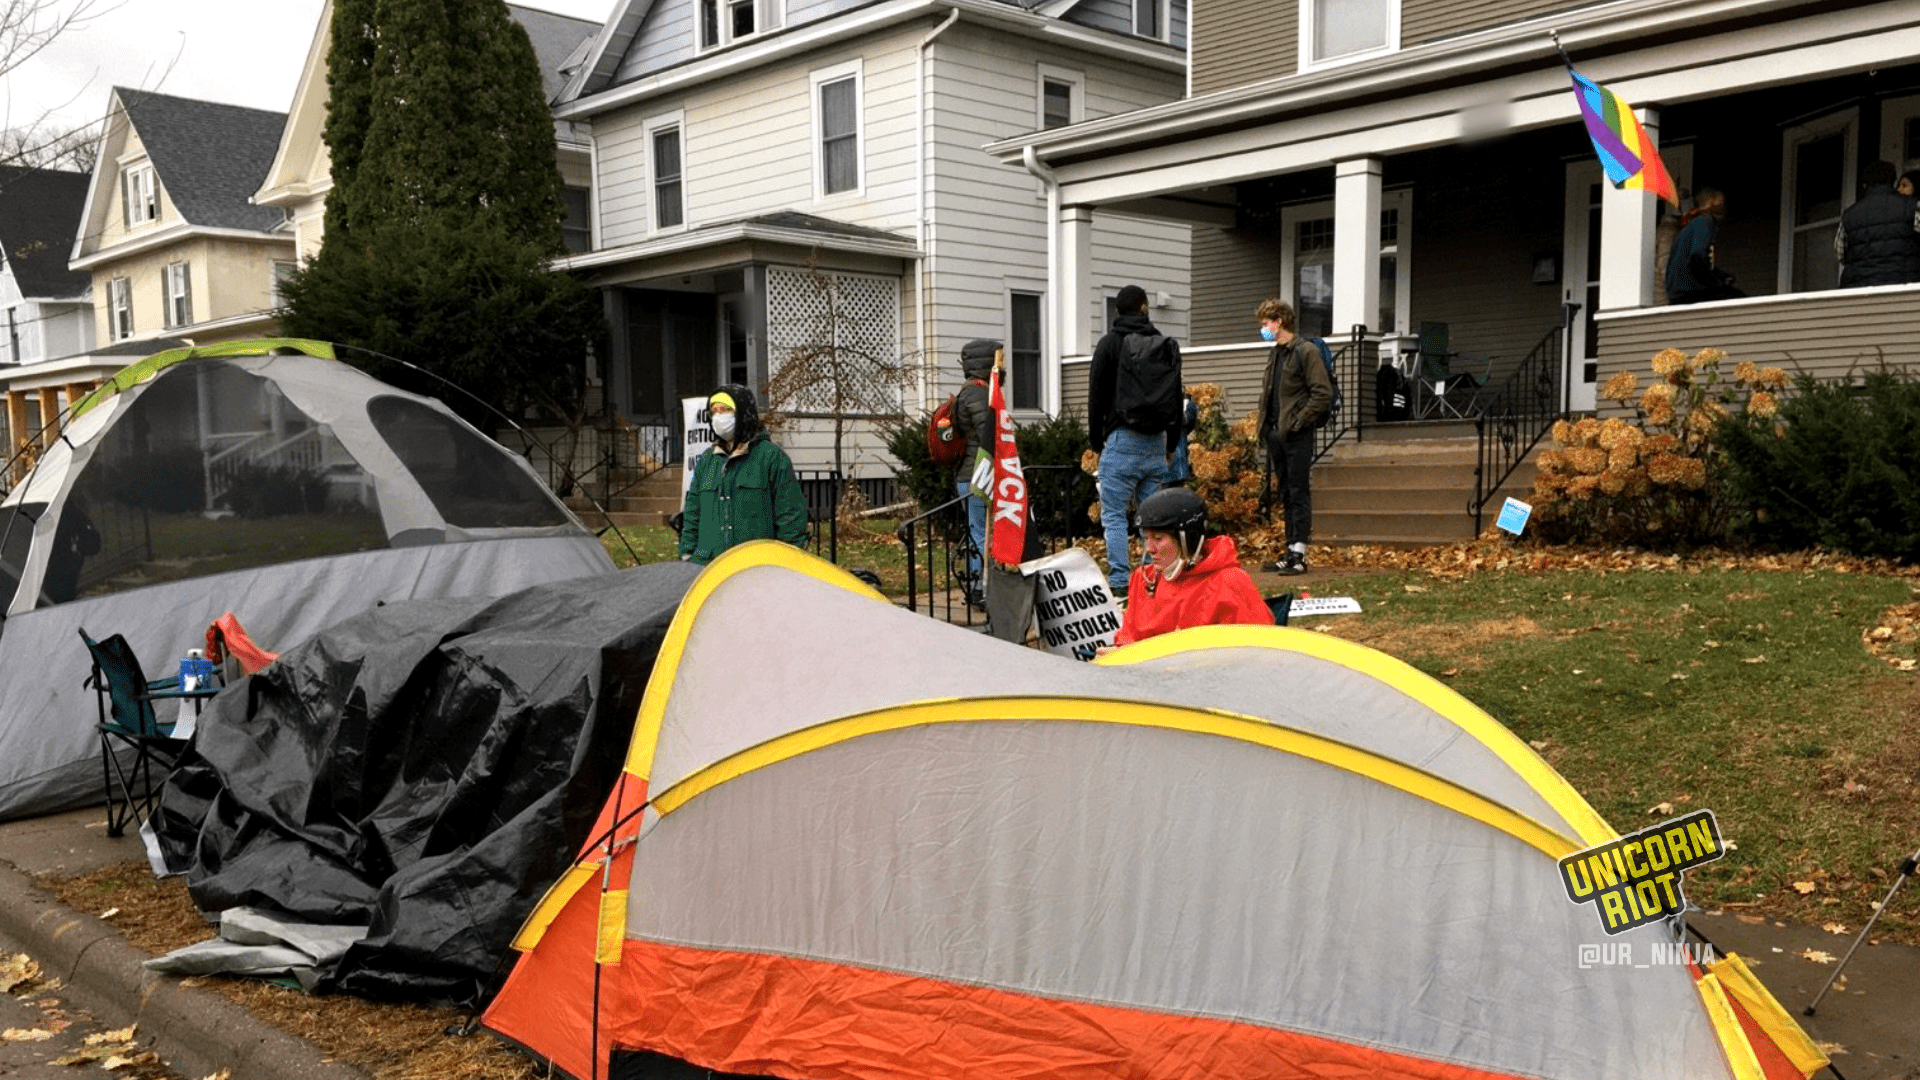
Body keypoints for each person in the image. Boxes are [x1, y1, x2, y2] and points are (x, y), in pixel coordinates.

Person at [1087, 284, 1184, 597]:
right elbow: (1174, 398)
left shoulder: (1109, 345)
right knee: (1152, 521)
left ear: (1117, 310)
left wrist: (1098, 442)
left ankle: (1119, 583)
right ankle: (1150, 582)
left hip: (1121, 440)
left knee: (1114, 515)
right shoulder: (1164, 345)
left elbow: (1096, 397)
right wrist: (1171, 444)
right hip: (1156, 442)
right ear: (1145, 308)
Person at [1109, 487, 1273, 647]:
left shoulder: (1229, 581)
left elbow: (1258, 649)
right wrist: (1117, 653)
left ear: (1188, 539)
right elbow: (1128, 638)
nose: (1149, 548)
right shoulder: (1143, 579)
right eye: (1146, 538)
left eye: (1158, 538)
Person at [678, 384, 808, 565]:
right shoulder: (707, 460)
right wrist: (687, 554)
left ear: (743, 413)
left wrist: (785, 563)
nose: (718, 417)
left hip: (755, 568)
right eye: (714, 412)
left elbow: (791, 518)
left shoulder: (771, 458)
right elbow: (692, 512)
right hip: (708, 567)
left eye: (725, 410)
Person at [1254, 299, 1332, 576]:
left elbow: (1322, 393)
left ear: (1279, 321)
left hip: (1296, 435)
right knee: (1286, 491)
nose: (1263, 328)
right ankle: (1290, 550)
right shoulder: (1276, 354)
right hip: (1277, 433)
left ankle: (1299, 553)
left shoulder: (1305, 351)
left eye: (1265, 323)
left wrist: (1300, 422)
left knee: (1298, 491)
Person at [949, 339, 999, 605]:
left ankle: (974, 585)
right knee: (982, 533)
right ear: (987, 363)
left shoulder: (968, 392)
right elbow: (989, 436)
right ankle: (982, 589)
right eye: (998, 359)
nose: (1003, 367)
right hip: (978, 474)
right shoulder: (979, 394)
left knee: (975, 530)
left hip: (968, 474)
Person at [1835, 160, 1920, 287]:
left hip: (1858, 291)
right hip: (1905, 290)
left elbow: (1840, 254)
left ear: (1865, 185)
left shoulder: (1849, 215)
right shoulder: (1912, 206)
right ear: (1892, 181)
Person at [1664, 188, 1743, 303]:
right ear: (1715, 204)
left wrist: (1721, 275)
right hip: (1689, 291)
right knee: (1739, 300)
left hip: (1678, 291)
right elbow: (1697, 256)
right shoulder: (1705, 221)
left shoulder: (1692, 224)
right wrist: (1715, 282)